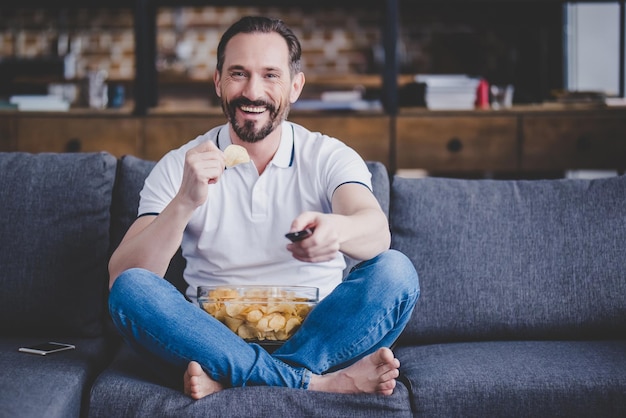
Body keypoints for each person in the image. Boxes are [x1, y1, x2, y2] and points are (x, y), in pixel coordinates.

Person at [108, 16, 419, 400]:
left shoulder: (327, 156)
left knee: (396, 271)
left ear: (295, 87)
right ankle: (312, 383)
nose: (252, 92)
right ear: (218, 80)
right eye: (239, 73)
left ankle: (236, 377)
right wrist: (184, 201)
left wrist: (336, 232)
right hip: (211, 338)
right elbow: (124, 277)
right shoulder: (180, 165)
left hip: (318, 335)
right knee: (131, 289)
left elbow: (375, 230)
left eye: (270, 75)